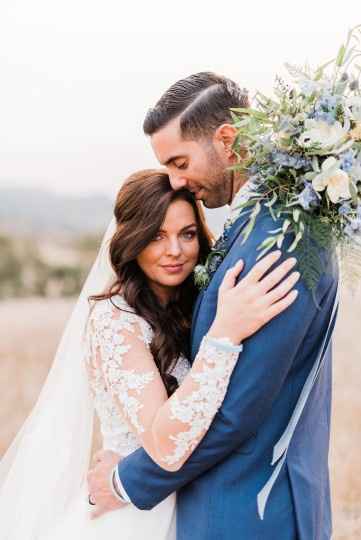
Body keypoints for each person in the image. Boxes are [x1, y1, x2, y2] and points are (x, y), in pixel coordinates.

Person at [89, 73, 339, 540]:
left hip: (248, 511)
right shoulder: (257, 226)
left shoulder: (281, 239)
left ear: (226, 140)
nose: (176, 180)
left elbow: (237, 408)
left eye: (180, 162)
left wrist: (126, 482)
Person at [0, 169, 299, 540]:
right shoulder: (115, 320)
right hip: (135, 517)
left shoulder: (195, 305)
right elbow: (165, 445)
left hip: (195, 505)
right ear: (133, 239)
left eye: (187, 234)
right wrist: (223, 336)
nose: (174, 251)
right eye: (157, 235)